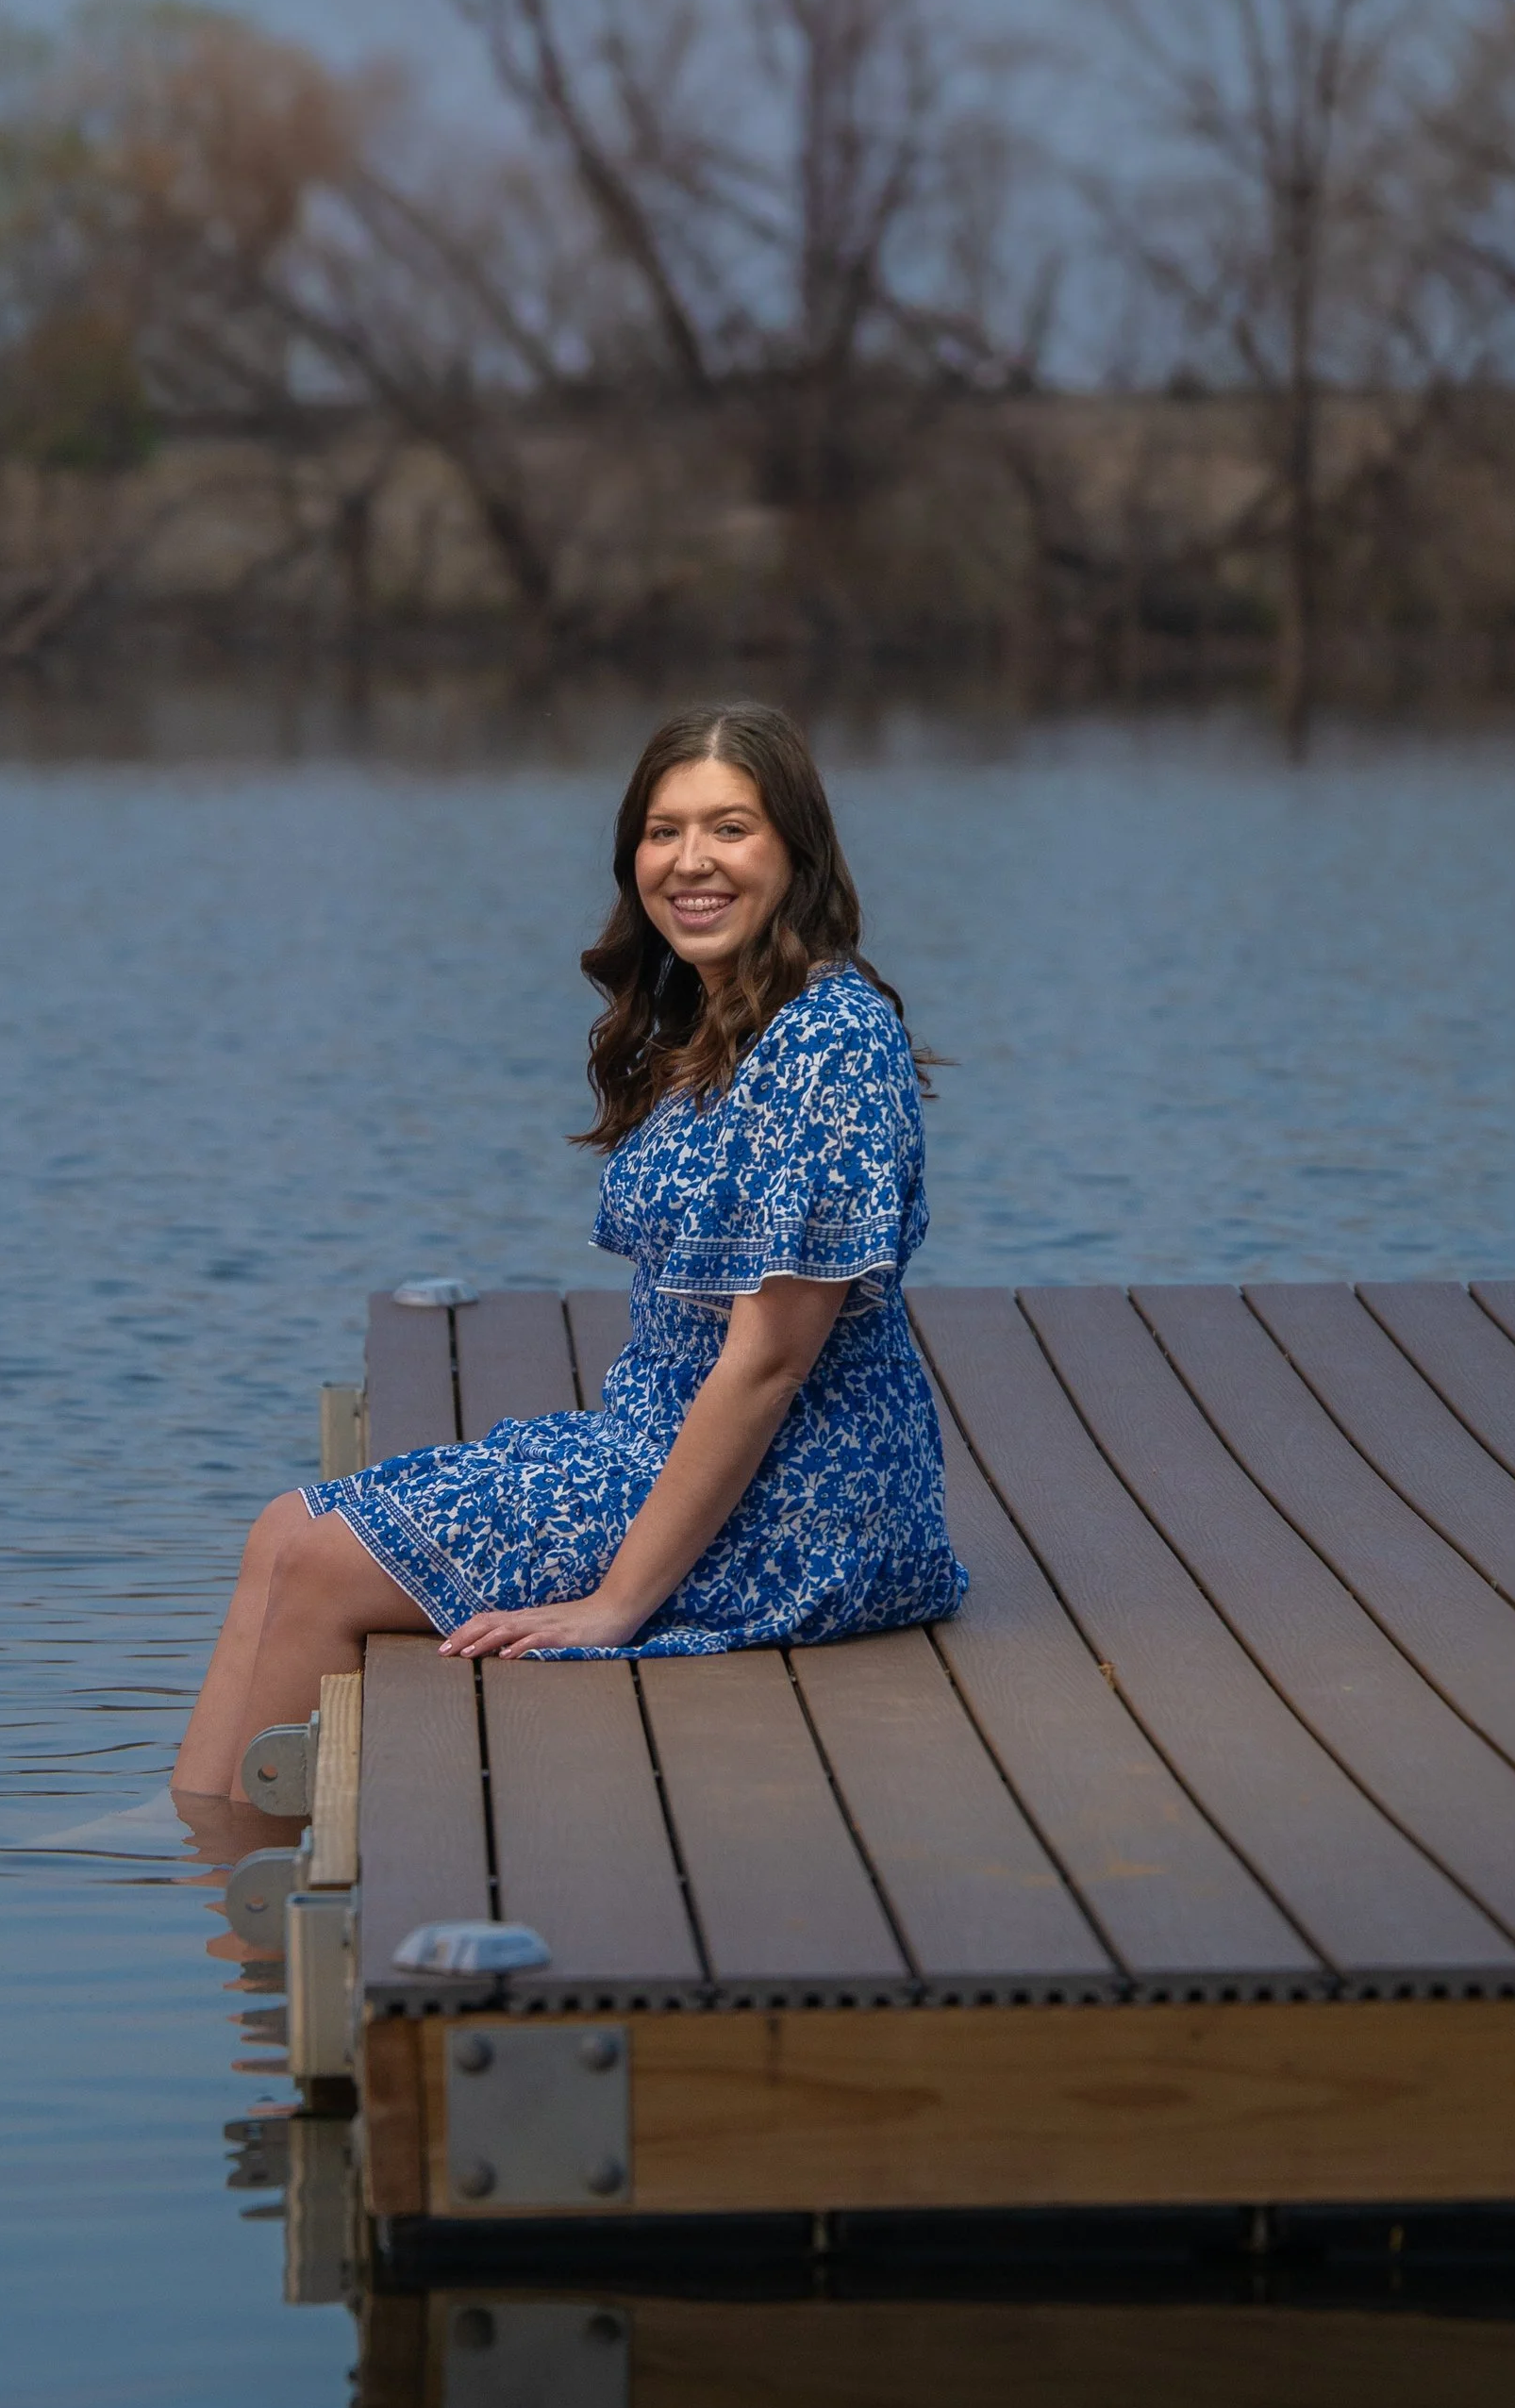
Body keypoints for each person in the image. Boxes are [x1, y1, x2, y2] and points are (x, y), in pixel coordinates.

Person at [173, 697, 966, 1812]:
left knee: (315, 1564)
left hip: (809, 1503)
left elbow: (771, 1365)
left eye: (729, 828)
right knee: (282, 1530)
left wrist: (616, 1606)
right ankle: (199, 1824)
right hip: (664, 1446)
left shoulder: (829, 1040)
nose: (689, 860)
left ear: (796, 850)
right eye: (662, 830)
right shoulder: (722, 1020)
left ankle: (243, 1925)